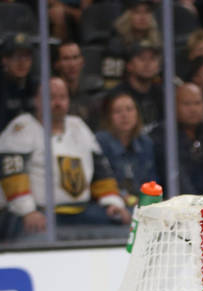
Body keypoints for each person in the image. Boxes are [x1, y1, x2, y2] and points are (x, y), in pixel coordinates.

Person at [0, 78, 129, 236]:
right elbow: (13, 175)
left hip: (82, 211)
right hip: (42, 213)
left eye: (62, 97)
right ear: (37, 101)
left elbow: (100, 170)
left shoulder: (78, 126)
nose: (58, 102)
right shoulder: (22, 127)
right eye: (51, 97)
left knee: (122, 226)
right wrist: (27, 211)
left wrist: (112, 202)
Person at [153, 83, 203, 198]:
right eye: (187, 104)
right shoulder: (163, 136)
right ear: (173, 106)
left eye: (197, 103)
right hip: (179, 206)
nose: (193, 109)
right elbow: (177, 179)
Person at [95, 90, 158, 207]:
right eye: (117, 111)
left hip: (141, 206)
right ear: (109, 116)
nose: (125, 115)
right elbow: (103, 181)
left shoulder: (146, 143)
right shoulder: (100, 142)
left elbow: (151, 182)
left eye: (129, 109)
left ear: (137, 114)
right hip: (112, 205)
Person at [112, 40, 164, 134]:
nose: (147, 64)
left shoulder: (163, 94)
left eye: (152, 59)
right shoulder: (117, 96)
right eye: (142, 59)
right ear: (129, 65)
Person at [54, 40, 102, 129]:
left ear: (82, 62)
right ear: (57, 64)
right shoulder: (51, 100)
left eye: (75, 58)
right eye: (66, 59)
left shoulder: (90, 99)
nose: (72, 64)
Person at [0, 33, 37, 131]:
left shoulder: (37, 86)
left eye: (26, 57)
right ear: (4, 60)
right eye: (16, 57)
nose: (22, 62)